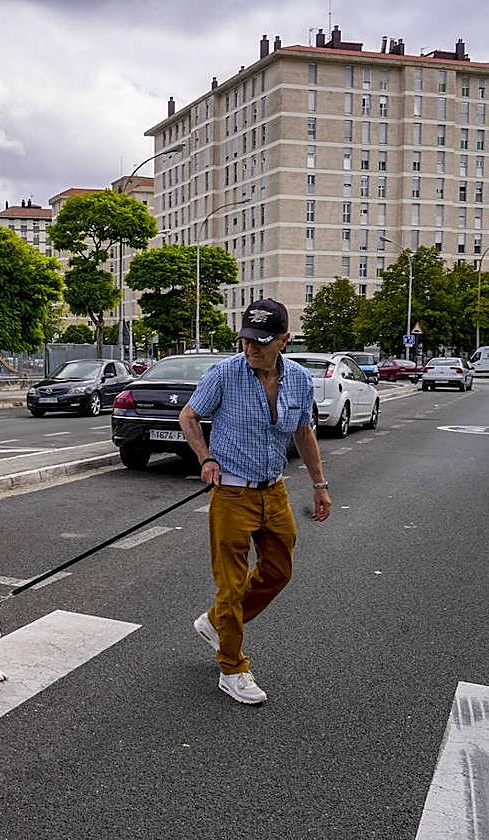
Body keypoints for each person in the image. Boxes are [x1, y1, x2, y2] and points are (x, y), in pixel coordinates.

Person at [178, 299, 331, 705]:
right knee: (229, 585)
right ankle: (232, 667)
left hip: (274, 490)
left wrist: (319, 484)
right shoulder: (224, 374)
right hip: (231, 492)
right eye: (246, 340)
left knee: (279, 571)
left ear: (285, 340)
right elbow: (189, 417)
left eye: (262, 342)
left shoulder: (299, 379)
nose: (251, 349)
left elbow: (303, 432)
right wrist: (205, 458)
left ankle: (215, 623)